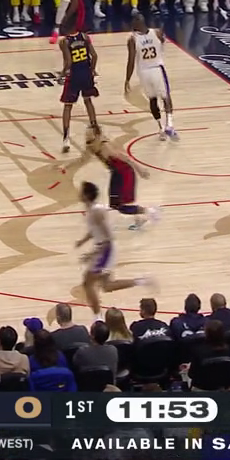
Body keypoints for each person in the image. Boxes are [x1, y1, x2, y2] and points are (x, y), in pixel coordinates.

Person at [75, 181, 148, 318]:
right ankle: (142, 281)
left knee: (87, 283)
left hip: (106, 248)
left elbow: (108, 236)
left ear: (86, 195)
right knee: (107, 286)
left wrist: (92, 254)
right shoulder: (92, 210)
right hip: (104, 247)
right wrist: (82, 241)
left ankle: (98, 318)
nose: (78, 192)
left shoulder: (96, 212)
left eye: (81, 190)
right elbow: (95, 229)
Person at [84, 124, 159, 229]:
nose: (86, 135)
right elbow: (82, 159)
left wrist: (139, 168)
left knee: (121, 206)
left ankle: (149, 211)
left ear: (96, 135)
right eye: (86, 133)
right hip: (116, 173)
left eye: (89, 133)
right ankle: (140, 218)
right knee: (115, 204)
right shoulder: (91, 145)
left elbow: (124, 157)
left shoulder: (105, 146)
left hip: (124, 173)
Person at [124, 13, 177, 140]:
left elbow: (131, 61)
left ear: (137, 23)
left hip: (144, 72)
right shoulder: (157, 32)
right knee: (165, 97)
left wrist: (127, 79)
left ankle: (161, 129)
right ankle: (169, 125)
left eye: (134, 21)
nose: (132, 24)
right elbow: (163, 42)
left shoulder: (132, 39)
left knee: (153, 100)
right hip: (157, 68)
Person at [59, 27, 100, 153]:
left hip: (74, 76)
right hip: (86, 73)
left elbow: (68, 62)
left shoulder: (64, 41)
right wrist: (92, 70)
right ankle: (96, 131)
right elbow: (94, 56)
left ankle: (66, 139)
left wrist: (61, 74)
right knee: (88, 101)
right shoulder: (85, 37)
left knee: (67, 106)